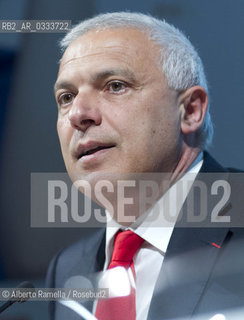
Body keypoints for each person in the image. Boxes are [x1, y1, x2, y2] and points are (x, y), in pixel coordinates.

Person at [46, 12, 244, 320]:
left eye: (115, 85)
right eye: (66, 97)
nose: (78, 113)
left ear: (190, 111)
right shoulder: (66, 269)